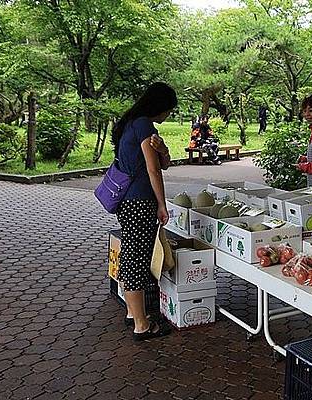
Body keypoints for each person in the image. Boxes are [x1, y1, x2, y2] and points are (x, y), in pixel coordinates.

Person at [111, 82, 177, 341]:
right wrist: (162, 204)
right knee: (137, 259)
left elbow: (164, 163)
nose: (168, 115)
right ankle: (142, 324)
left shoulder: (131, 123)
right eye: (169, 109)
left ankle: (132, 312)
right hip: (140, 201)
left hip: (126, 201)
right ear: (159, 107)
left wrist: (163, 150)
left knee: (130, 254)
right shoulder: (143, 126)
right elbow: (154, 170)